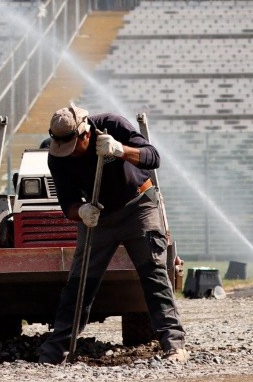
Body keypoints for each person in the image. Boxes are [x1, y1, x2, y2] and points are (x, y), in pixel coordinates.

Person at [37, 103, 187, 365]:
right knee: (80, 282)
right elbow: (67, 203)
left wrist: (120, 150)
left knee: (154, 274)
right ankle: (57, 349)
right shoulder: (57, 157)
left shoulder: (113, 125)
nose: (69, 155)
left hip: (138, 206)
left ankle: (174, 344)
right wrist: (81, 211)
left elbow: (153, 157)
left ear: (85, 134)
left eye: (73, 147)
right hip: (98, 216)